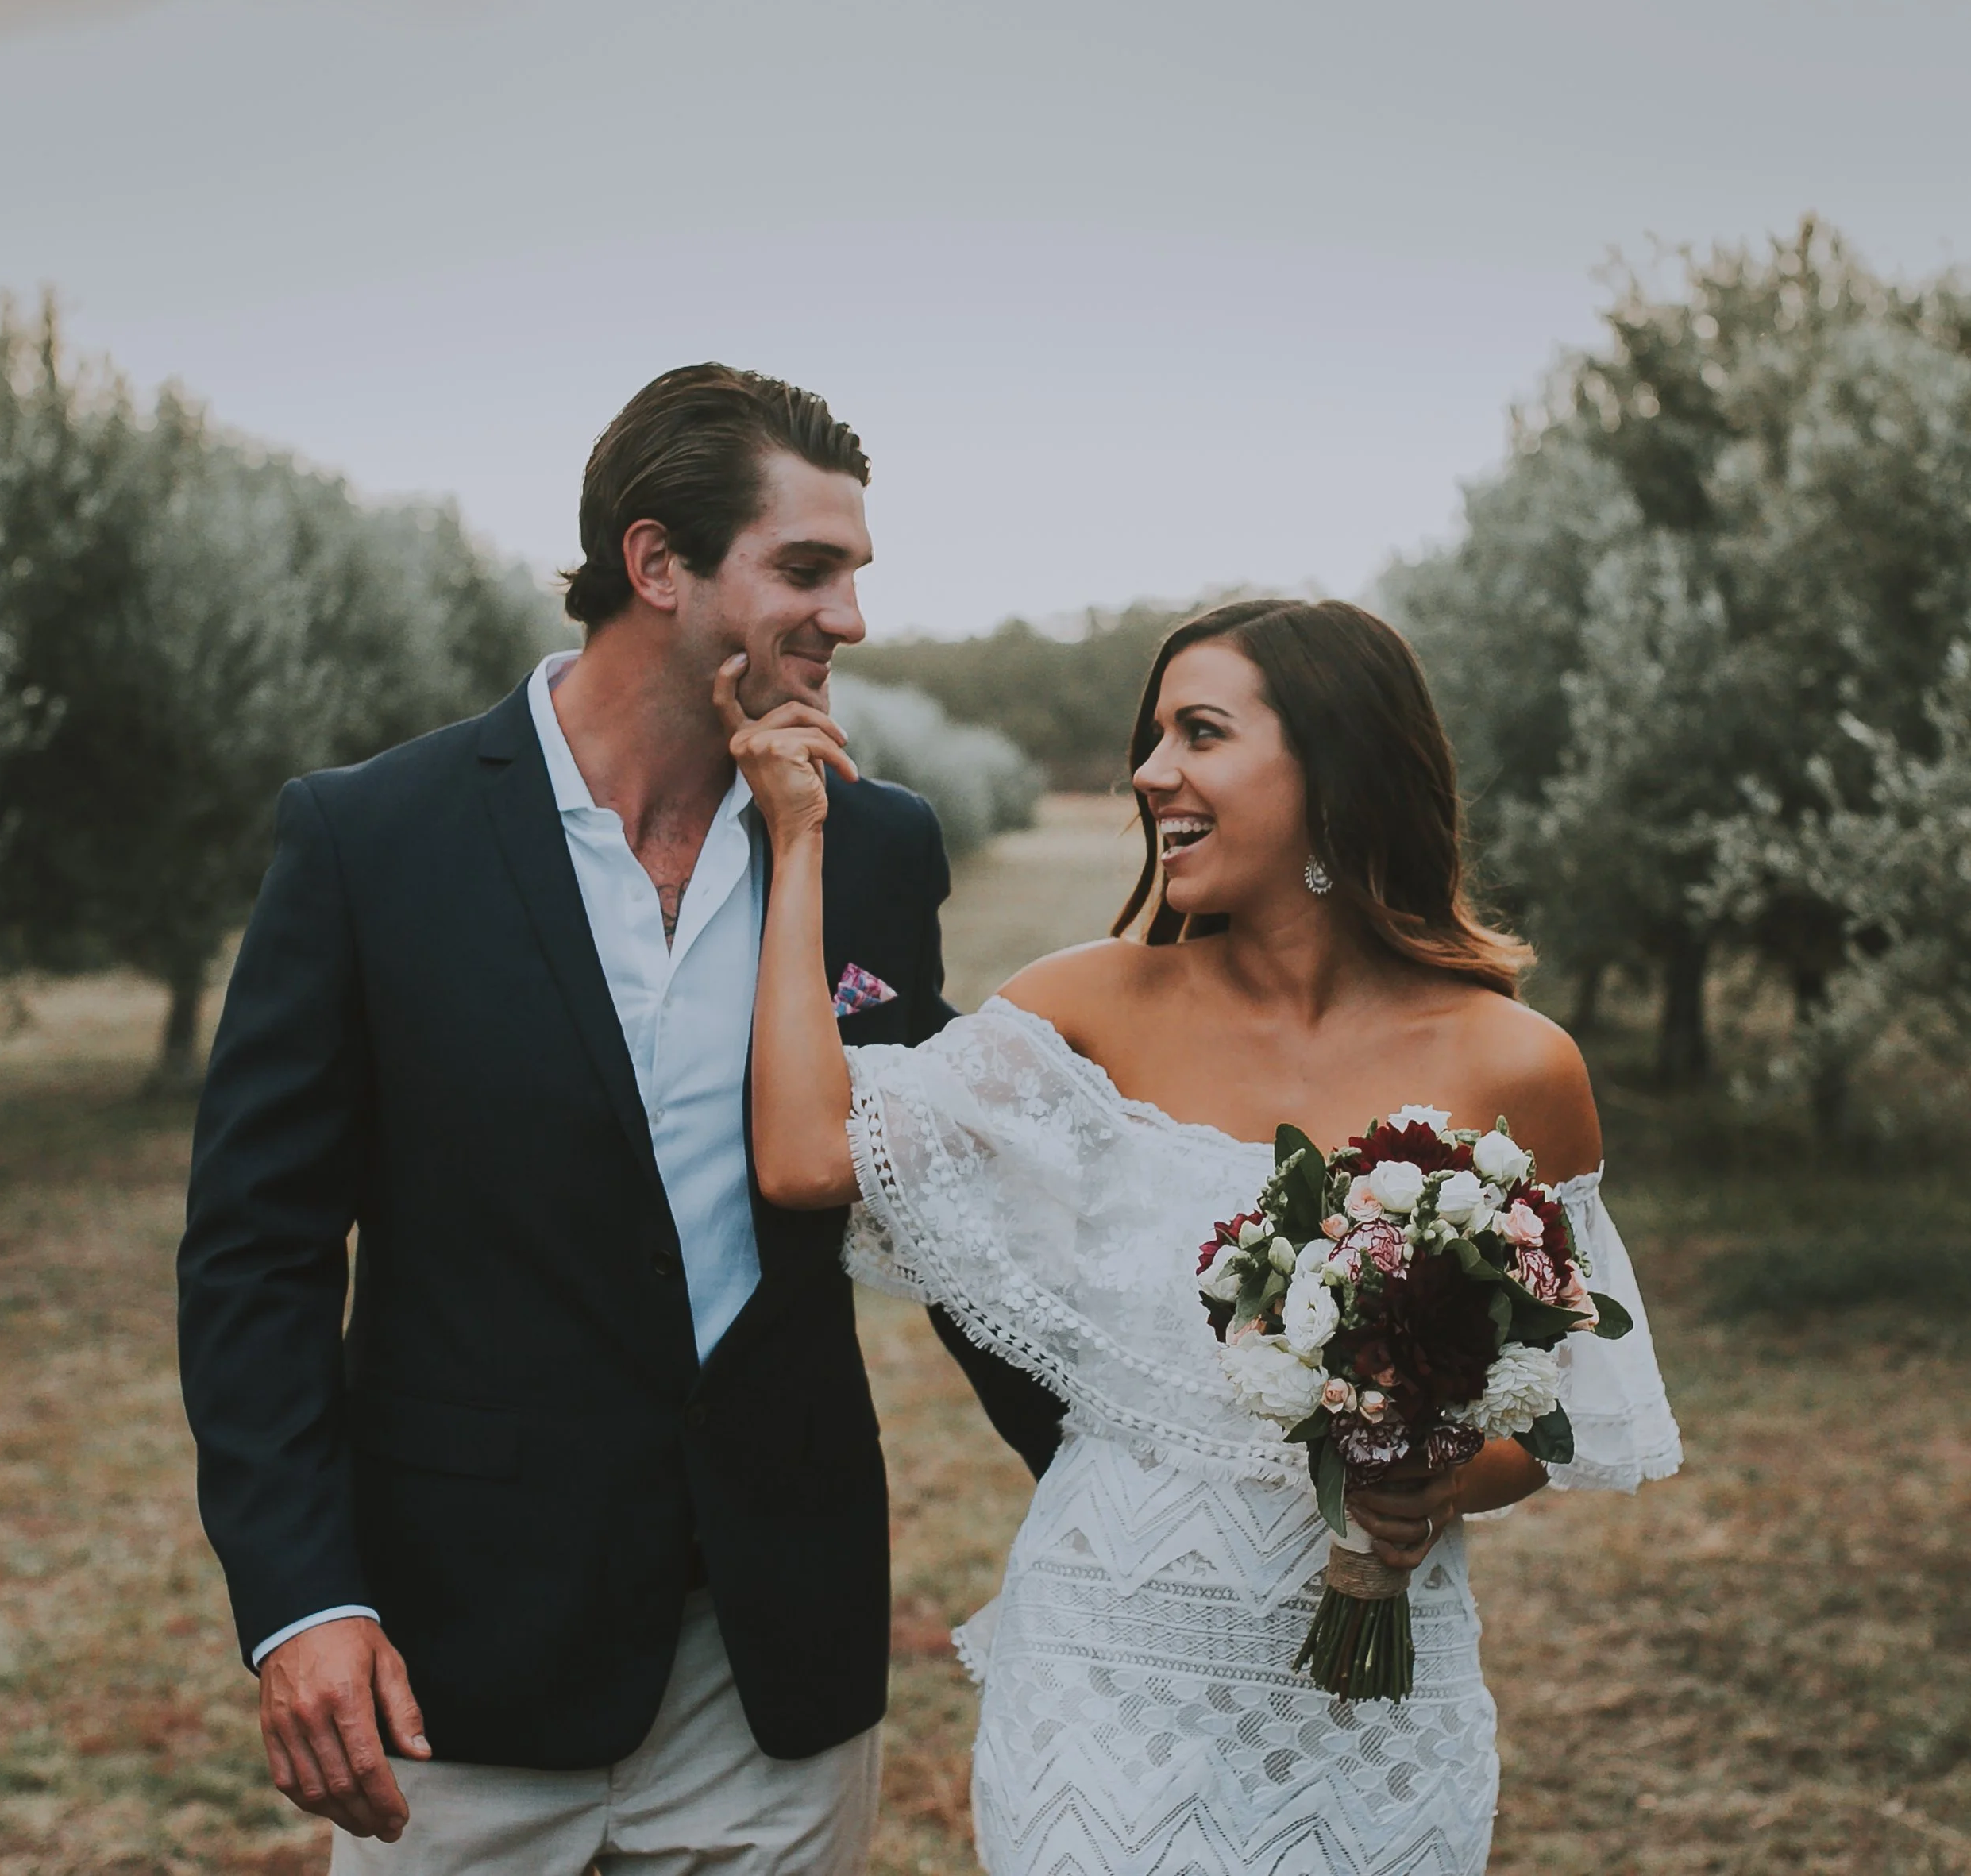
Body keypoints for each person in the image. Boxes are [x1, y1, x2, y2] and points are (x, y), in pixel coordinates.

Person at [176, 363, 1062, 1871]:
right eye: (807, 568)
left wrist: (1151, 1465)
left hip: (774, 1659)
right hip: (458, 1669)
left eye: (856, 573)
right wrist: (303, 1603)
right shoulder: (371, 842)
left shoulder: (875, 847)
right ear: (656, 565)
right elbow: (255, 1256)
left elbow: (929, 1199)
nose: (847, 616)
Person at [724, 596, 1682, 1875]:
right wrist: (802, 846)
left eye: (1201, 732)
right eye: (1151, 732)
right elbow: (804, 1156)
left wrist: (1433, 1477)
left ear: (1334, 771)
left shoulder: (1517, 1064)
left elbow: (1545, 1418)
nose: (1148, 770)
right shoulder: (1092, 1006)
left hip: (1378, 1716)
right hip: (1106, 1675)